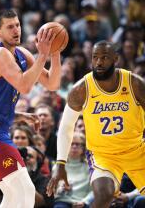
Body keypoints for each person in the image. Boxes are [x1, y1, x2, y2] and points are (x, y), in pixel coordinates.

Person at [0, 9, 61, 208]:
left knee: (12, 195)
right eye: (10, 27)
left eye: (17, 25)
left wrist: (56, 52)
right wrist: (43, 54)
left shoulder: (22, 53)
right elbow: (25, 86)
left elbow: (52, 83)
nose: (16, 30)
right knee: (25, 191)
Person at [47, 40, 145, 208]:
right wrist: (60, 163)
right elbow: (66, 127)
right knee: (103, 195)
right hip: (103, 155)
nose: (99, 62)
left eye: (105, 57)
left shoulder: (134, 84)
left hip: (137, 150)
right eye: (95, 57)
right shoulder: (81, 89)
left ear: (116, 59)